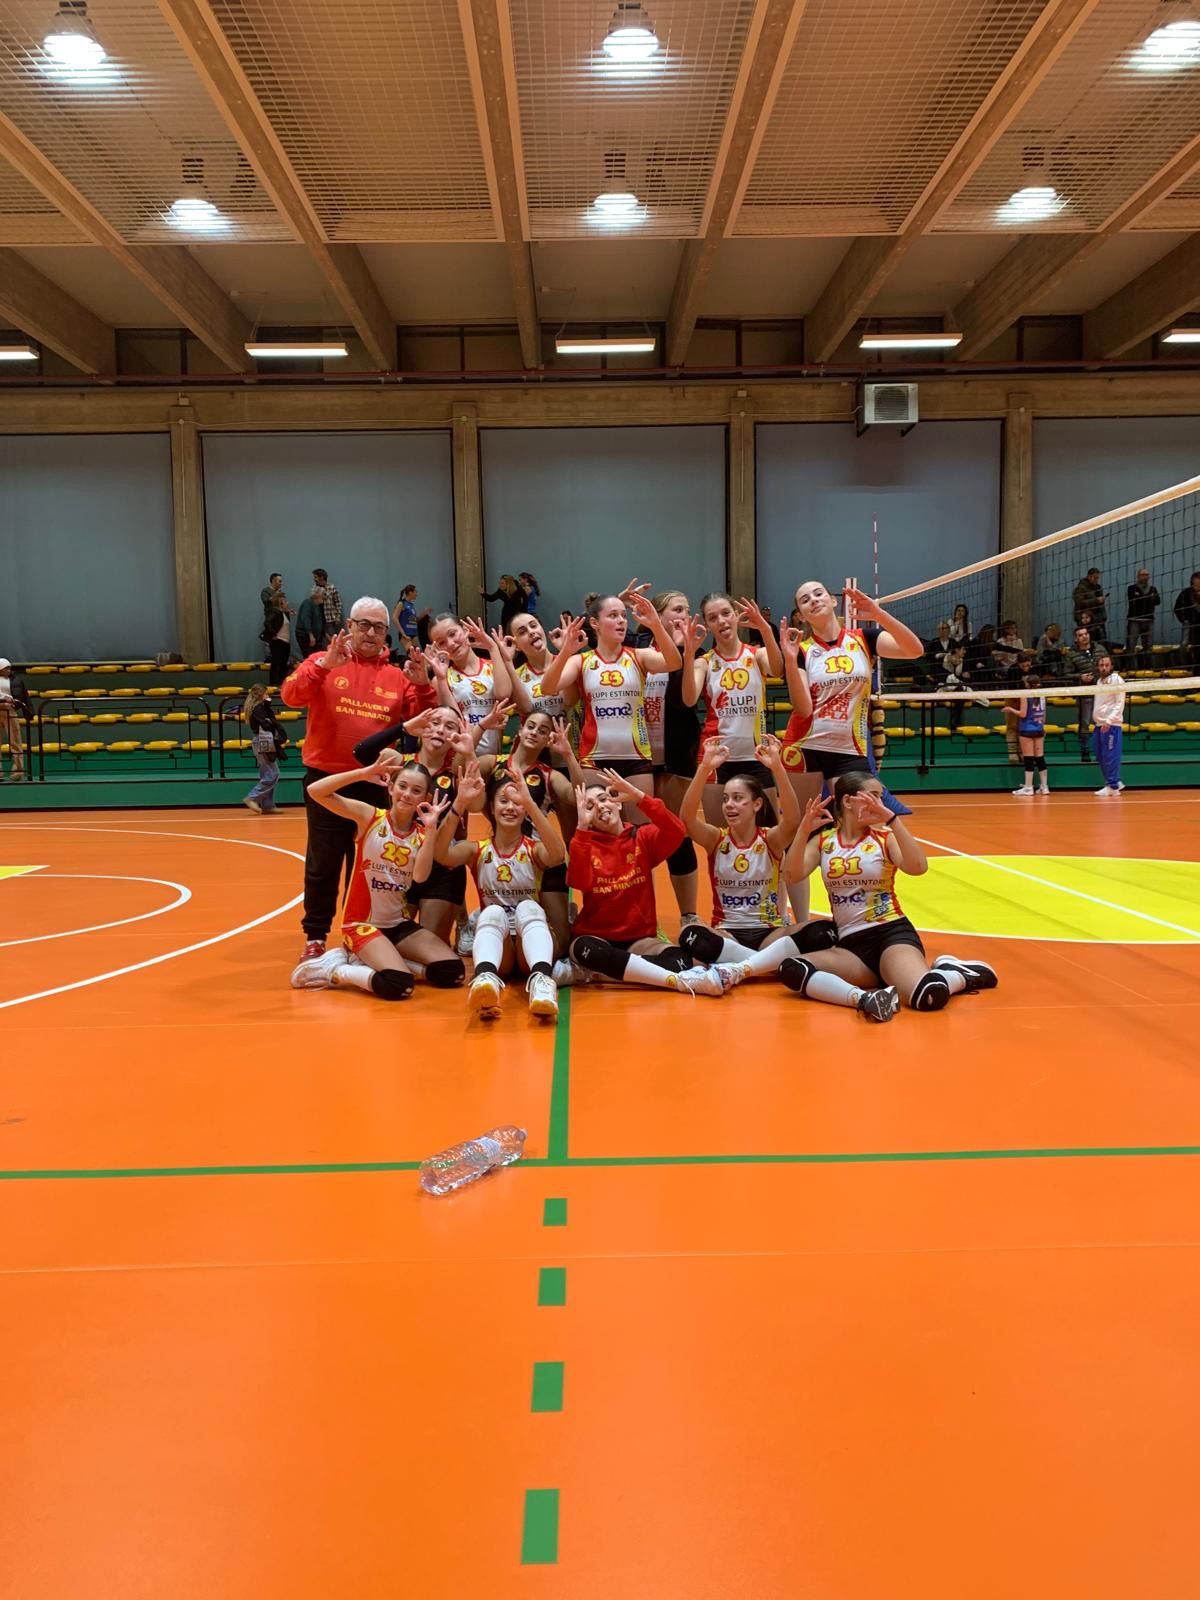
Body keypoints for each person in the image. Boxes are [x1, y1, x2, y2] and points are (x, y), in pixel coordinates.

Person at [280, 596, 438, 970]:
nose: (370, 633)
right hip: (328, 782)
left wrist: (423, 686)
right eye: (363, 624)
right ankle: (316, 937)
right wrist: (323, 667)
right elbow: (290, 696)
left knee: (373, 866)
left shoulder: (397, 676)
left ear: (386, 633)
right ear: (349, 626)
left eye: (378, 627)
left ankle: (364, 933)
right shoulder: (324, 661)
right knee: (323, 862)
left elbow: (422, 719)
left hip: (377, 785)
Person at [779, 776, 997, 1014]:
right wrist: (803, 831)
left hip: (890, 934)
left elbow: (918, 867)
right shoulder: (824, 841)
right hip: (850, 946)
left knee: (927, 996)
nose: (879, 803)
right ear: (848, 801)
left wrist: (893, 821)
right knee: (792, 968)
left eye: (880, 797)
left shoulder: (884, 838)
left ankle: (954, 973)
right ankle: (865, 999)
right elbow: (791, 875)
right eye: (872, 796)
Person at [777, 578, 922, 918]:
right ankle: (795, 919)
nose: (813, 600)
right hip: (804, 746)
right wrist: (789, 661)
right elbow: (802, 709)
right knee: (798, 832)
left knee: (859, 826)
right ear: (801, 615)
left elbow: (914, 649)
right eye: (804, 599)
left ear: (831, 600)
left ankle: (859, 914)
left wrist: (879, 614)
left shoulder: (864, 639)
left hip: (849, 748)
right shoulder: (801, 650)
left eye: (818, 593)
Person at [673, 735, 851, 990]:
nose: (729, 805)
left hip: (771, 933)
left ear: (757, 804)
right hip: (728, 933)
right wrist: (704, 768)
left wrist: (777, 767)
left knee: (826, 930)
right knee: (689, 933)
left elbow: (792, 819)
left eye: (737, 798)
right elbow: (687, 819)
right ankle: (770, 964)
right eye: (725, 799)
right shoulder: (716, 839)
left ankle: (741, 965)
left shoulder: (771, 839)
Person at [291, 757, 464, 998]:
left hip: (397, 925)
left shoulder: (422, 834)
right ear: (391, 787)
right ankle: (335, 968)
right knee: (398, 985)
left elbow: (420, 876)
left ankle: (377, 960)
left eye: (416, 791)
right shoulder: (370, 817)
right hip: (361, 925)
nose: (407, 794)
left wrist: (432, 829)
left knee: (453, 972)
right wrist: (362, 774)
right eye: (402, 786)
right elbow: (315, 791)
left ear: (425, 798)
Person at [556, 767, 726, 996]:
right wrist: (581, 828)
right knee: (585, 949)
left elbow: (676, 831)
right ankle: (665, 978)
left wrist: (639, 797)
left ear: (617, 804)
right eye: (590, 806)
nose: (600, 806)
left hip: (639, 940)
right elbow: (579, 881)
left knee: (679, 960)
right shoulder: (586, 844)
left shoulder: (642, 837)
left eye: (603, 799)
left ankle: (595, 975)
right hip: (596, 938)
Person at [431, 759, 564, 1020]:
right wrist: (459, 804)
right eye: (503, 801)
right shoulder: (477, 849)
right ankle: (486, 979)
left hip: (530, 947)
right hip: (498, 947)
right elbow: (440, 854)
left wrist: (531, 804)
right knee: (492, 912)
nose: (510, 808)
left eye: (517, 803)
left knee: (528, 907)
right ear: (491, 808)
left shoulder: (533, 849)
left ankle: (542, 981)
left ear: (525, 809)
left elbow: (558, 855)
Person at [538, 584, 683, 809]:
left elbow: (674, 663)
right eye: (613, 616)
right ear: (595, 623)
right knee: (598, 825)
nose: (621, 621)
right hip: (595, 759)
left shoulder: (640, 656)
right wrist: (566, 650)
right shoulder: (581, 661)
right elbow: (548, 687)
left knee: (641, 828)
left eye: (623, 615)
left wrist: (656, 625)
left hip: (637, 758)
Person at [637, 591, 705, 921]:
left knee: (677, 834)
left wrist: (683, 649)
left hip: (676, 754)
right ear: (659, 614)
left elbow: (685, 701)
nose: (684, 615)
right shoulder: (636, 648)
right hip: (638, 756)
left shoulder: (695, 652)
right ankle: (640, 917)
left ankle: (689, 916)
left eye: (687, 610)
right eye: (677, 609)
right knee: (636, 839)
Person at [693, 593, 783, 821]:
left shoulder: (757, 654)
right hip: (717, 757)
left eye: (726, 613)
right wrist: (688, 654)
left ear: (736, 615)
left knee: (769, 831)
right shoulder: (704, 662)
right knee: (718, 835)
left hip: (757, 756)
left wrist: (765, 629)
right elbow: (689, 698)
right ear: (707, 625)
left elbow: (778, 668)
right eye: (713, 617)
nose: (721, 621)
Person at [427, 613, 513, 759]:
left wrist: (492, 647)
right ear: (436, 649)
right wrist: (441, 680)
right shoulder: (440, 679)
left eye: (453, 634)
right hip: (460, 759)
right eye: (441, 643)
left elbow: (504, 695)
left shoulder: (494, 666)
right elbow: (454, 723)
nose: (451, 643)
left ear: (465, 629)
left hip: (494, 758)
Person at [242, 684, 286, 813]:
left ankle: (268, 805)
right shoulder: (258, 709)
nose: (268, 696)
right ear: (261, 695)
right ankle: (252, 797)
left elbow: (269, 720)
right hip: (263, 740)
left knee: (267, 773)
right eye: (266, 694)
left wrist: (268, 707)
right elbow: (266, 725)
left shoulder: (260, 708)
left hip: (262, 740)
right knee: (273, 774)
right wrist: (272, 721)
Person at [1064, 624, 1101, 761]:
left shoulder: (1100, 649)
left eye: (1086, 634)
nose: (1084, 637)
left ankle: (1100, 751)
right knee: (1085, 723)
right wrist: (1080, 677)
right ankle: (1085, 752)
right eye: (1080, 635)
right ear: (1076, 639)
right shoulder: (1071, 654)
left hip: (1102, 692)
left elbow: (1109, 665)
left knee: (1102, 722)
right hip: (1085, 694)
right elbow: (1066, 674)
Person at [1092, 654, 1126, 797]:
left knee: (1110, 755)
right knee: (1100, 754)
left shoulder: (1116, 679)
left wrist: (1109, 720)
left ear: (1112, 666)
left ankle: (1112, 786)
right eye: (1101, 665)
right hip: (1099, 723)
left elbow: (1120, 702)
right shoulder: (1099, 681)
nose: (1104, 668)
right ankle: (1115, 781)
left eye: (1106, 665)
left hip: (1111, 724)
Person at [1009, 674, 1049, 797]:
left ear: (1027, 684)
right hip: (1039, 729)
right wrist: (1041, 726)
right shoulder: (1043, 695)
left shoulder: (1025, 695)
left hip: (1027, 729)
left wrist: (1010, 709)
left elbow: (1023, 714)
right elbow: (1044, 715)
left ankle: (1028, 787)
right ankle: (1044, 787)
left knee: (1028, 759)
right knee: (1040, 758)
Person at [0, 657, 30, 781]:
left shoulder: (15, 680)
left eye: (9, 668)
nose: (8, 670)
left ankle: (18, 770)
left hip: (9, 710)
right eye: (5, 668)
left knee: (15, 741)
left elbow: (22, 695)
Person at [1124, 569, 1160, 669]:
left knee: (1148, 647)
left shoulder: (1153, 589)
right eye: (1143, 575)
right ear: (1138, 576)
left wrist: (1143, 597)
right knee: (1131, 646)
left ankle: (1147, 668)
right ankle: (1129, 668)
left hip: (1149, 620)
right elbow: (1134, 600)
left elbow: (1157, 601)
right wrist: (1149, 598)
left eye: (1147, 575)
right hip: (1134, 621)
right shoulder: (1131, 588)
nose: (1145, 577)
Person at [391, 585, 429, 655]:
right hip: (405, 633)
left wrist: (423, 613)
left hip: (413, 633)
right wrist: (403, 633)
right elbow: (394, 618)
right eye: (415, 592)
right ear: (410, 592)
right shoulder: (401, 604)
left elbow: (414, 620)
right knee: (411, 654)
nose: (417, 594)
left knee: (418, 655)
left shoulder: (411, 605)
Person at [260, 601, 291, 686]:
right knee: (276, 663)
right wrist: (273, 634)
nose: (287, 603)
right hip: (278, 641)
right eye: (285, 602)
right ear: (280, 604)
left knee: (283, 664)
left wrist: (287, 612)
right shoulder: (275, 613)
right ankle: (273, 683)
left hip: (285, 642)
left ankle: (282, 683)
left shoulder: (284, 614)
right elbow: (267, 622)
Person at [1173, 571, 1200, 665]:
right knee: (1185, 643)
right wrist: (1185, 619)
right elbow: (1177, 608)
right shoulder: (1186, 593)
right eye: (1198, 578)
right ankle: (1184, 665)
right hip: (1189, 623)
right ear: (1193, 580)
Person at [1072, 568, 1107, 640]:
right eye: (1095, 578)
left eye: (1098, 578)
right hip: (1086, 621)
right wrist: (1096, 601)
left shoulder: (1098, 588)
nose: (1096, 580)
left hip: (1098, 620)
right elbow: (1079, 603)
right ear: (1089, 577)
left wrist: (1103, 617)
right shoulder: (1080, 588)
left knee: (1102, 641)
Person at [296, 586, 328, 658]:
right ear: (317, 595)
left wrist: (326, 634)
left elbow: (320, 622)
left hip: (315, 636)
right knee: (309, 656)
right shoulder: (308, 603)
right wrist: (310, 634)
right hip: (305, 635)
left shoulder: (318, 606)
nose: (324, 597)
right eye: (323, 595)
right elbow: (306, 619)